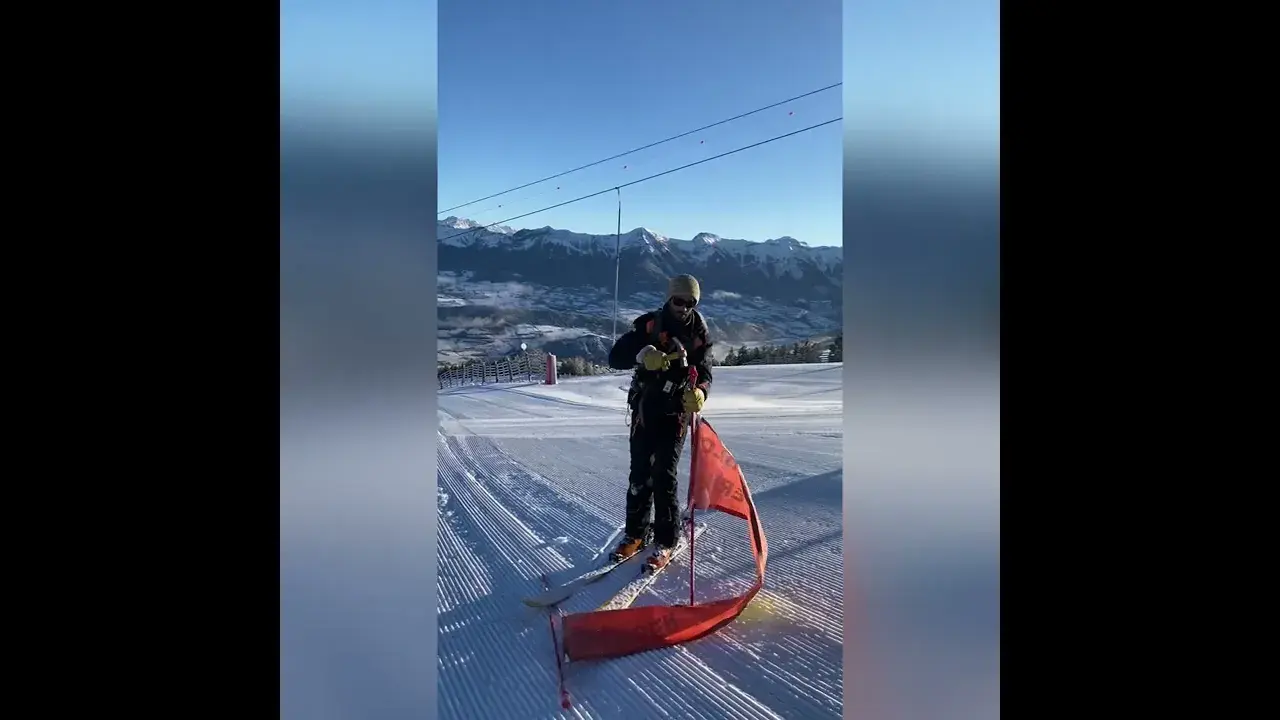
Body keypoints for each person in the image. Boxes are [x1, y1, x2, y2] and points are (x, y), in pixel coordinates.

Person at [606, 273, 713, 571]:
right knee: (640, 474)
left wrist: (701, 393)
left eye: (690, 302)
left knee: (664, 475)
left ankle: (666, 539)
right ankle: (635, 534)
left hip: (676, 412)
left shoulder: (699, 334)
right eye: (679, 300)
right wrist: (642, 354)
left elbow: (705, 373)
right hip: (646, 408)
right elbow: (615, 357)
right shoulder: (650, 325)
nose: (684, 307)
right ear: (669, 298)